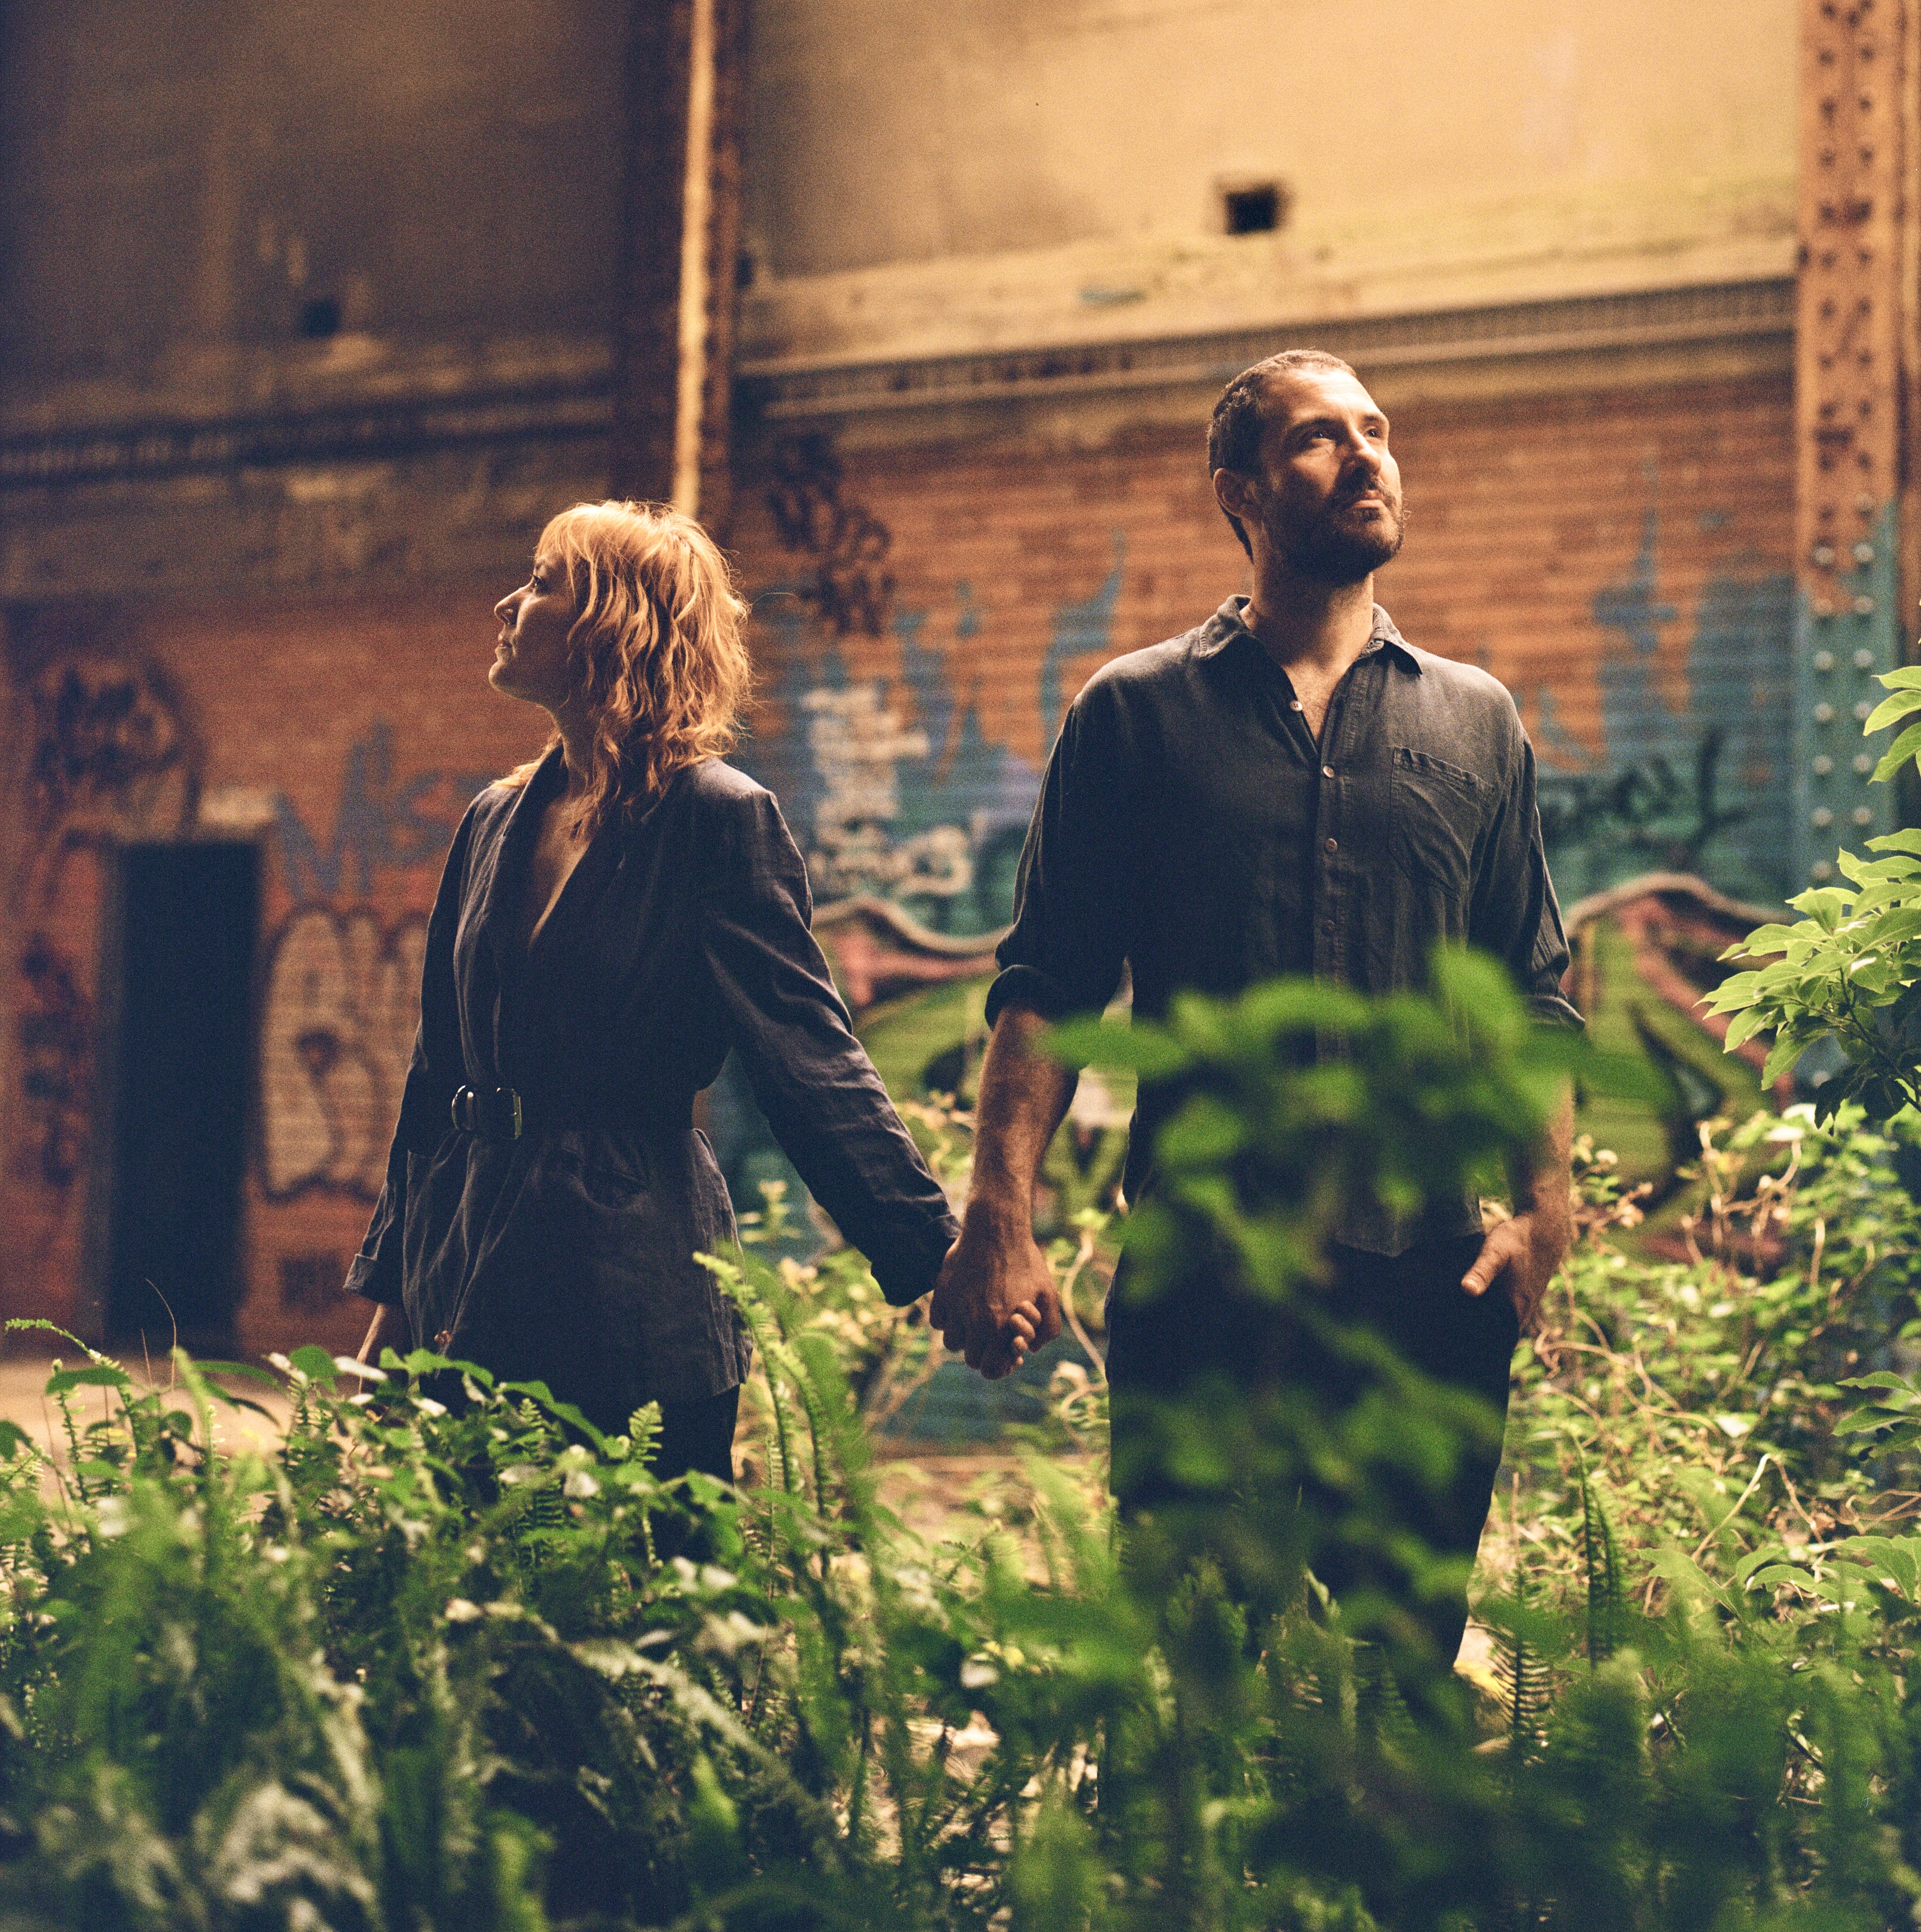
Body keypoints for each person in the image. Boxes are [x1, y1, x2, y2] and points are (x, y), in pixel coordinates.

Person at [929, 351, 1580, 1664]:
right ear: (1237, 489)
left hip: (1425, 1287)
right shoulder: (1134, 716)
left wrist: (1543, 1202)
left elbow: (1529, 986)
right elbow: (1048, 984)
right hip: (1206, 1285)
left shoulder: (1475, 724)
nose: (1366, 456)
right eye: (1319, 437)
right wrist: (998, 1214)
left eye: (1377, 431)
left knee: (1399, 1681)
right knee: (1193, 1685)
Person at [347, 499, 963, 1481]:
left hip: (628, 1285)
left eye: (542, 580)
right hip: (462, 1264)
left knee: (633, 1606)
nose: (509, 601)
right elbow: (437, 1079)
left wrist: (938, 1259)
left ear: (613, 623)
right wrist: (391, 1310)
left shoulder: (716, 819)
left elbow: (810, 1061)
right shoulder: (493, 818)